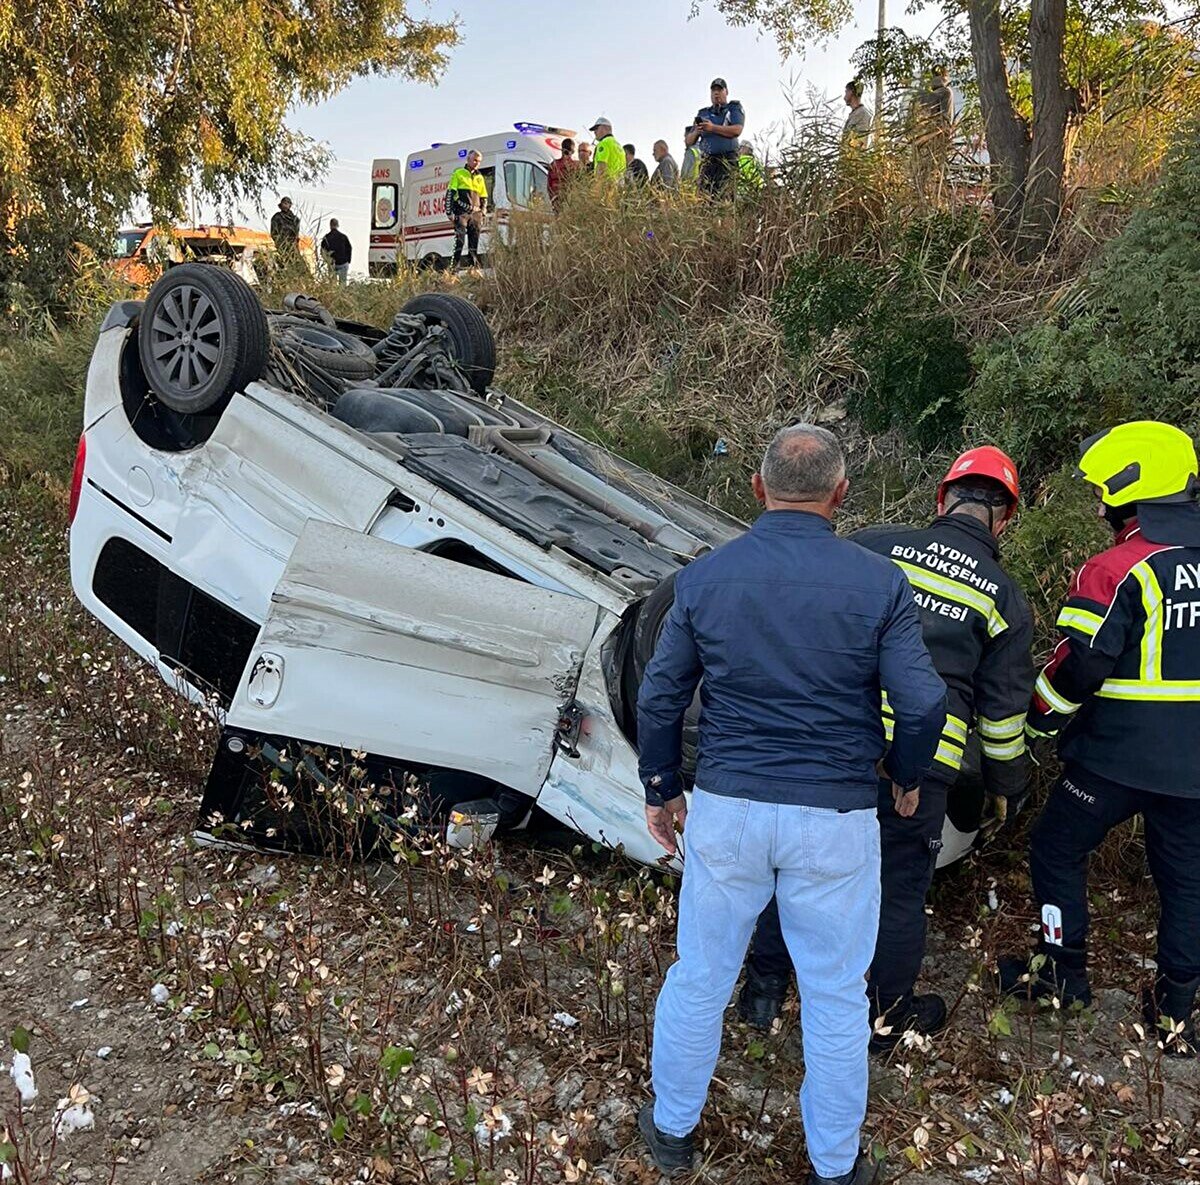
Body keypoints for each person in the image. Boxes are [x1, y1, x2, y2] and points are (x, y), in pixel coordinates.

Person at [636, 424, 946, 1185]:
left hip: (731, 809)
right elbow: (924, 702)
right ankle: (836, 1167)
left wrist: (661, 787)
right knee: (837, 996)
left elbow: (660, 694)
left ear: (755, 486)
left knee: (701, 974)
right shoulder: (880, 584)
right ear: (842, 495)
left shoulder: (705, 578)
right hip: (835, 819)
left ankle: (672, 1132)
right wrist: (905, 777)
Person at [740, 447, 1035, 1051]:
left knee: (794, 868)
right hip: (922, 769)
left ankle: (763, 992)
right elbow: (1004, 719)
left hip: (835, 745)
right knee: (899, 893)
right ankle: (885, 1018)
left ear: (941, 498)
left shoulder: (873, 545)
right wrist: (1006, 792)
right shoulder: (1004, 598)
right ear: (1004, 519)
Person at [999, 421, 1200, 1056]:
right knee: (1188, 880)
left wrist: (1037, 721)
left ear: (1128, 489)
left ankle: (1063, 973)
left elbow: (1079, 666)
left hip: (1114, 757)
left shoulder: (1118, 567)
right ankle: (1175, 1011)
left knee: (1057, 847)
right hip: (1194, 770)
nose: (1100, 503)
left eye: (1104, 491)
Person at [686, 78, 744, 198]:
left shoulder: (733, 108)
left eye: (719, 90)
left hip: (727, 162)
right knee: (705, 200)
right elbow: (689, 141)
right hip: (708, 163)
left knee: (725, 199)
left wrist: (712, 128)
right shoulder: (703, 113)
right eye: (713, 91)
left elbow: (737, 130)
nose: (716, 93)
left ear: (726, 91)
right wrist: (697, 130)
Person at [446, 149, 488, 270]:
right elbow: (450, 193)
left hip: (476, 214)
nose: (477, 163)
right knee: (460, 241)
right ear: (468, 160)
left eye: (479, 161)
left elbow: (484, 196)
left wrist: (483, 210)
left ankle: (472, 269)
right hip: (462, 213)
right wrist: (449, 212)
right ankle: (453, 268)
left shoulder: (480, 177)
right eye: (474, 160)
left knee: (474, 243)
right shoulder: (458, 173)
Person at [547, 138, 581, 209]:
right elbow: (549, 185)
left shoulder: (575, 166)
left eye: (568, 150)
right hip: (558, 202)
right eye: (565, 149)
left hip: (567, 201)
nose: (567, 152)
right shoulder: (554, 165)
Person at [319, 217, 352, 284]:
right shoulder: (343, 237)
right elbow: (349, 248)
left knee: (332, 285)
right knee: (342, 284)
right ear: (337, 225)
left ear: (330, 225)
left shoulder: (326, 237)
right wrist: (348, 260)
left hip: (332, 264)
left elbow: (322, 251)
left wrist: (327, 261)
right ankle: (342, 294)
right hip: (343, 263)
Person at [843, 80, 874, 145]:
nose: (844, 97)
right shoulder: (855, 113)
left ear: (851, 92)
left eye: (846, 92)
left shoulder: (862, 114)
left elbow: (860, 142)